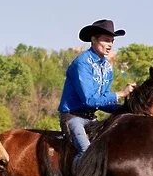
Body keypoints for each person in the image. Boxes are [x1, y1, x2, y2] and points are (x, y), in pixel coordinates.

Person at [58, 19, 136, 163]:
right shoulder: (81, 63)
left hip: (91, 118)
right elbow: (89, 100)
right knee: (86, 153)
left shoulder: (107, 67)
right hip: (72, 118)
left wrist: (126, 108)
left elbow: (102, 101)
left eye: (112, 41)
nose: (110, 45)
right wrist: (120, 94)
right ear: (93, 40)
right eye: (106, 40)